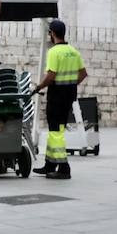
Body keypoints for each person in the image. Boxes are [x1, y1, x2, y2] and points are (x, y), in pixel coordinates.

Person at [33, 19, 88, 179]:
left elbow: (51, 75)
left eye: (49, 32)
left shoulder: (54, 52)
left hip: (56, 96)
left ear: (53, 34)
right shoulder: (73, 51)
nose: (49, 35)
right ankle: (50, 164)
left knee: (56, 131)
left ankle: (64, 167)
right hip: (69, 95)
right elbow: (83, 73)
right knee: (57, 130)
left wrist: (38, 87)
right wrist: (71, 84)